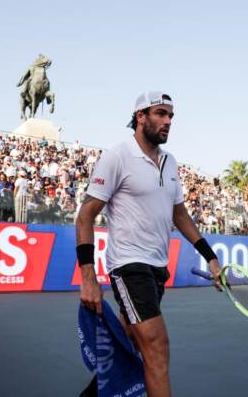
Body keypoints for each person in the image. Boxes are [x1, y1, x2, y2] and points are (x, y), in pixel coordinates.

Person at [77, 92, 221, 397]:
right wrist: (88, 277)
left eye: (170, 116)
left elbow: (179, 214)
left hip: (157, 269)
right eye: (160, 114)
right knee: (157, 350)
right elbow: (85, 215)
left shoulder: (171, 162)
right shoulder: (117, 156)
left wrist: (210, 257)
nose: (168, 121)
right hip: (129, 266)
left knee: (128, 344)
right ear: (140, 116)